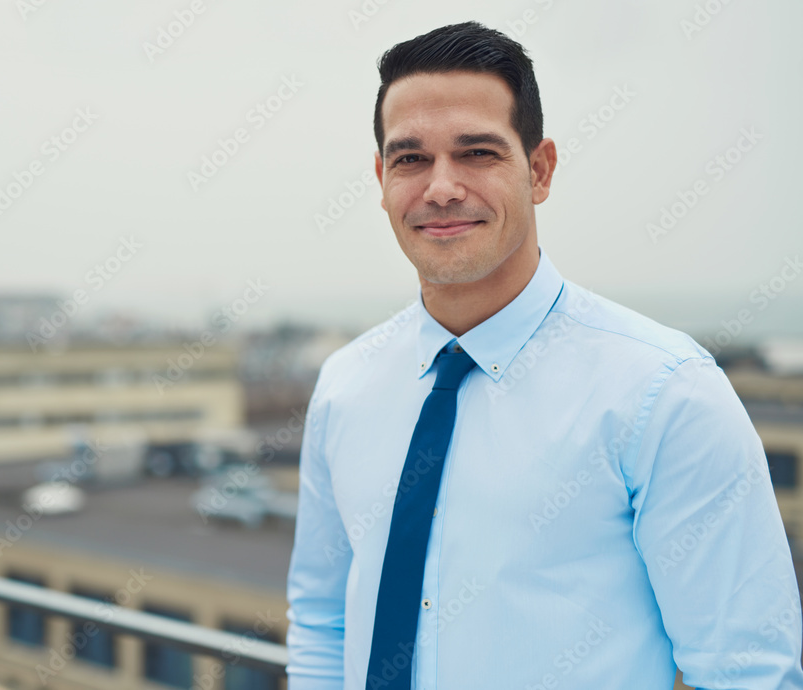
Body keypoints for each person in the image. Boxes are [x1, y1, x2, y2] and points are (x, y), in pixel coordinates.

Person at [284, 20, 803, 690]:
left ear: (540, 169)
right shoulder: (345, 386)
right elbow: (323, 621)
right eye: (411, 158)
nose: (441, 188)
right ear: (382, 178)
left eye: (477, 153)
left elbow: (747, 674)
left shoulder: (665, 393)